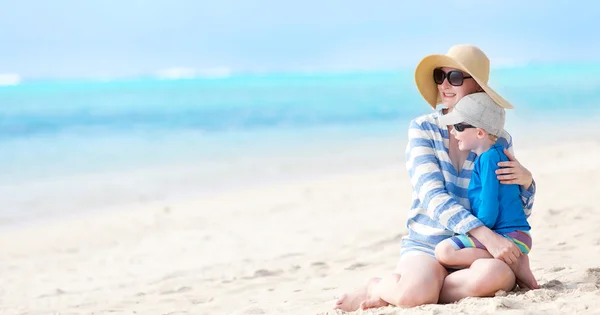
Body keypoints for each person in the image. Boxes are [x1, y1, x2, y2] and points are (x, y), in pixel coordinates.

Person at [334, 44, 537, 312]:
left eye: (454, 77)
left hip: (473, 249)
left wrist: (526, 183)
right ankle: (377, 285)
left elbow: (513, 208)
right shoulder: (423, 128)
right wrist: (489, 238)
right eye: (440, 76)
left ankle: (425, 286)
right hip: (430, 244)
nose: (444, 85)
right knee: (414, 296)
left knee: (496, 277)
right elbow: (432, 197)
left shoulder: (496, 137)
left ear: (478, 87)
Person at [433, 92, 537, 289]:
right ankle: (514, 260)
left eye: (458, 127)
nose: (453, 132)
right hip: (516, 234)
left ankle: (514, 261)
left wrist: (481, 232)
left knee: (445, 251)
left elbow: (489, 203)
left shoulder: (487, 159)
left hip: (510, 237)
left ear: (480, 133)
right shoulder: (498, 154)